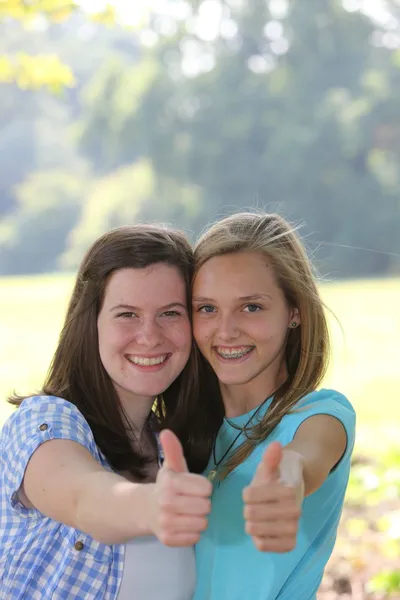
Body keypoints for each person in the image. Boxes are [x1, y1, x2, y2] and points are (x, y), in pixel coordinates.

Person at [0, 224, 214, 600]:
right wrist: (151, 506)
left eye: (170, 313)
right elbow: (85, 499)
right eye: (127, 314)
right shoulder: (45, 421)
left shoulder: (174, 450)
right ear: (91, 323)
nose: (149, 336)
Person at [191, 212, 356, 600]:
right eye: (207, 308)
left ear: (294, 311)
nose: (226, 331)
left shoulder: (320, 416)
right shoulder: (182, 430)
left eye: (251, 307)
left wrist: (287, 483)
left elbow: (302, 460)